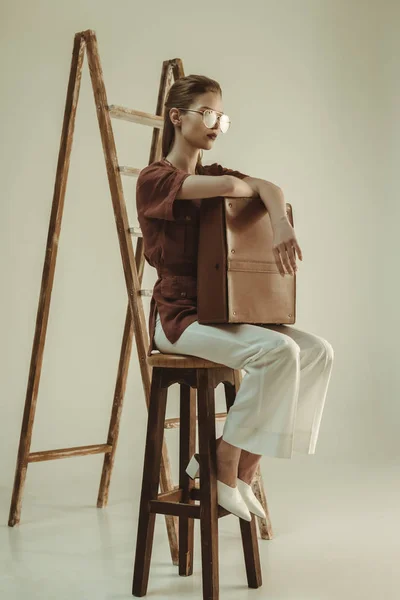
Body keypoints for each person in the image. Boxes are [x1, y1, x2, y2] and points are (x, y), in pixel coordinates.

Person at [136, 74, 334, 521]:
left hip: (221, 312)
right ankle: (222, 463)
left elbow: (271, 188)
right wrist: (256, 190)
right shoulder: (155, 179)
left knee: (318, 352)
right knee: (279, 351)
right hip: (178, 321)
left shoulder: (211, 173)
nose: (216, 124)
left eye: (221, 116)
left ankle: (245, 466)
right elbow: (238, 189)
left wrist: (281, 223)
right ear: (176, 117)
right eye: (207, 113)